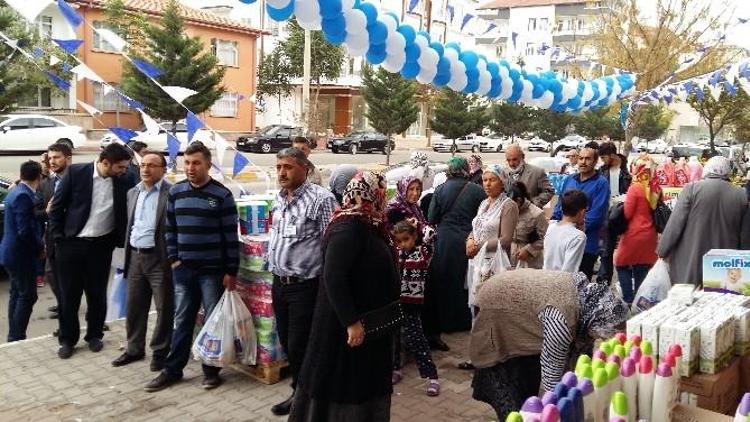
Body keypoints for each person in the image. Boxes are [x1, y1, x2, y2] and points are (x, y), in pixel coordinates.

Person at [289, 172, 400, 422]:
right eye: (382, 192)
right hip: (346, 331)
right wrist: (351, 322)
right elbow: (333, 276)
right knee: (344, 385)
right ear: (371, 193)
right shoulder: (348, 226)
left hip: (368, 325)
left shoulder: (370, 223)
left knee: (363, 383)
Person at [470, 269, 628, 421]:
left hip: (512, 293)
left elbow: (581, 351)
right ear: (595, 321)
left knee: (528, 377)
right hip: (496, 304)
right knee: (513, 401)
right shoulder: (562, 321)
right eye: (601, 334)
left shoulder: (587, 300)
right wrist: (558, 411)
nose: (600, 338)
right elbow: (551, 377)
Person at [145, 142, 239, 392]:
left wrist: (231, 271)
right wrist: (175, 259)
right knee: (182, 321)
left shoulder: (222, 195)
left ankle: (211, 371)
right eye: (187, 162)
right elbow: (170, 229)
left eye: (196, 163)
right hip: (184, 270)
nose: (190, 167)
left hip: (212, 271)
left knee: (211, 322)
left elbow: (231, 236)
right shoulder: (176, 192)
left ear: (208, 164)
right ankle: (173, 370)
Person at [268, 148, 337, 416]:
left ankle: (304, 396)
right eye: (278, 167)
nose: (281, 172)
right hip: (279, 283)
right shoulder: (279, 198)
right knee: (287, 341)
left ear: (304, 169)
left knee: (301, 344)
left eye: (287, 167)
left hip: (305, 286)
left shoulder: (321, 199)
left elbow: (332, 244)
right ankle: (300, 389)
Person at [49, 143, 135, 359]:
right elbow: (57, 207)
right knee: (69, 295)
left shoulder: (124, 180)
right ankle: (68, 339)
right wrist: (59, 238)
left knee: (97, 294)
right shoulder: (77, 173)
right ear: (106, 163)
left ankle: (94, 335)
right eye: (121, 167)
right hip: (71, 244)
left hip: (101, 246)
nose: (124, 171)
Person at [112, 152, 173, 371]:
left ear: (163, 169)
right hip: (136, 256)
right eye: (142, 165)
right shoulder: (133, 192)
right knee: (135, 306)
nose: (145, 169)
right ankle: (134, 348)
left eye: (151, 166)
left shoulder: (171, 193)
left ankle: (160, 351)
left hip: (160, 258)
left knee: (164, 307)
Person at [657, 156, 748, 285]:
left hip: (691, 262)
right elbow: (744, 237)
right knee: (717, 301)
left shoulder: (692, 189)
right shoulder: (741, 195)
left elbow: (675, 225)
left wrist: (662, 250)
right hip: (724, 265)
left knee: (688, 301)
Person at [427, 156, 485, 334]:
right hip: (468, 241)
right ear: (466, 169)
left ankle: (445, 321)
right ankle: (464, 321)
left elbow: (431, 218)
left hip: (445, 241)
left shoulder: (440, 189)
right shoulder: (477, 190)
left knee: (444, 280)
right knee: (465, 281)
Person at [391, 221, 440, 396]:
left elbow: (432, 233)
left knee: (417, 340)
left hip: (412, 305)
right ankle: (396, 369)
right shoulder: (395, 253)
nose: (403, 244)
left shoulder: (423, 253)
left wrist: (417, 223)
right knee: (395, 339)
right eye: (399, 241)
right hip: (396, 303)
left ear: (414, 237)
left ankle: (432, 377)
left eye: (406, 239)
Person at [551, 146, 610, 279]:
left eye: (588, 159)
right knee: (559, 278)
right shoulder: (569, 179)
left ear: (595, 162)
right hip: (563, 239)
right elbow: (560, 204)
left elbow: (596, 214)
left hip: (586, 243)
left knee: (580, 282)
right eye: (581, 158)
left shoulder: (601, 183)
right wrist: (555, 223)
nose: (583, 162)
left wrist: (573, 228)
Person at [466, 165, 519, 308]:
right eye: (484, 180)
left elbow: (506, 239)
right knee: (477, 304)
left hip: (495, 263)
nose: (487, 184)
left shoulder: (509, 206)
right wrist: (470, 240)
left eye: (492, 180)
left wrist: (479, 246)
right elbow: (477, 227)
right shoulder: (484, 203)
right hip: (478, 261)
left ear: (502, 182)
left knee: (491, 306)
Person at [1, 161, 44, 342]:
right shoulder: (23, 196)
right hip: (19, 254)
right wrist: (39, 248)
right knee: (28, 295)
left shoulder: (16, 192)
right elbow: (24, 230)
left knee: (17, 293)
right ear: (39, 177)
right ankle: (17, 336)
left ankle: (14, 334)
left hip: (10, 253)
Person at [614, 155, 660, 304]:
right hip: (650, 235)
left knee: (621, 263)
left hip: (634, 234)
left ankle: (628, 299)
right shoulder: (656, 188)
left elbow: (627, 213)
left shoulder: (635, 188)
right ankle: (639, 300)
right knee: (642, 267)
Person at [35, 142, 72, 321]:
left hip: (73, 238)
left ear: (68, 158)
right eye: (50, 158)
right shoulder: (45, 184)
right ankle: (63, 304)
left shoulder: (78, 180)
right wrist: (46, 212)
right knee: (51, 273)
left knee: (76, 278)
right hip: (52, 237)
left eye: (56, 157)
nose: (52, 161)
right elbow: (36, 212)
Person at [598, 142, 632, 284]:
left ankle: (607, 278)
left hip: (622, 212)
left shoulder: (626, 172)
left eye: (604, 157)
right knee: (605, 248)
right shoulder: (601, 171)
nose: (602, 160)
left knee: (614, 248)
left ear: (612, 155)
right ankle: (604, 279)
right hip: (606, 211)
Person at [544, 190, 588, 272]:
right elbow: (569, 270)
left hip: (546, 277)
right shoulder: (578, 237)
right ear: (582, 212)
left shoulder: (551, 226)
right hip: (562, 282)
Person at [508, 181, 547, 269]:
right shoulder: (508, 210)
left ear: (518, 200)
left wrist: (529, 250)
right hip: (510, 258)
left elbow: (546, 238)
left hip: (530, 261)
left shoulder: (536, 213)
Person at [504, 144, 555, 208]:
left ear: (523, 157)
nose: (511, 163)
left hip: (530, 214)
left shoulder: (537, 172)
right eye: (508, 160)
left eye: (514, 159)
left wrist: (533, 204)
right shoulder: (504, 173)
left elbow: (549, 191)